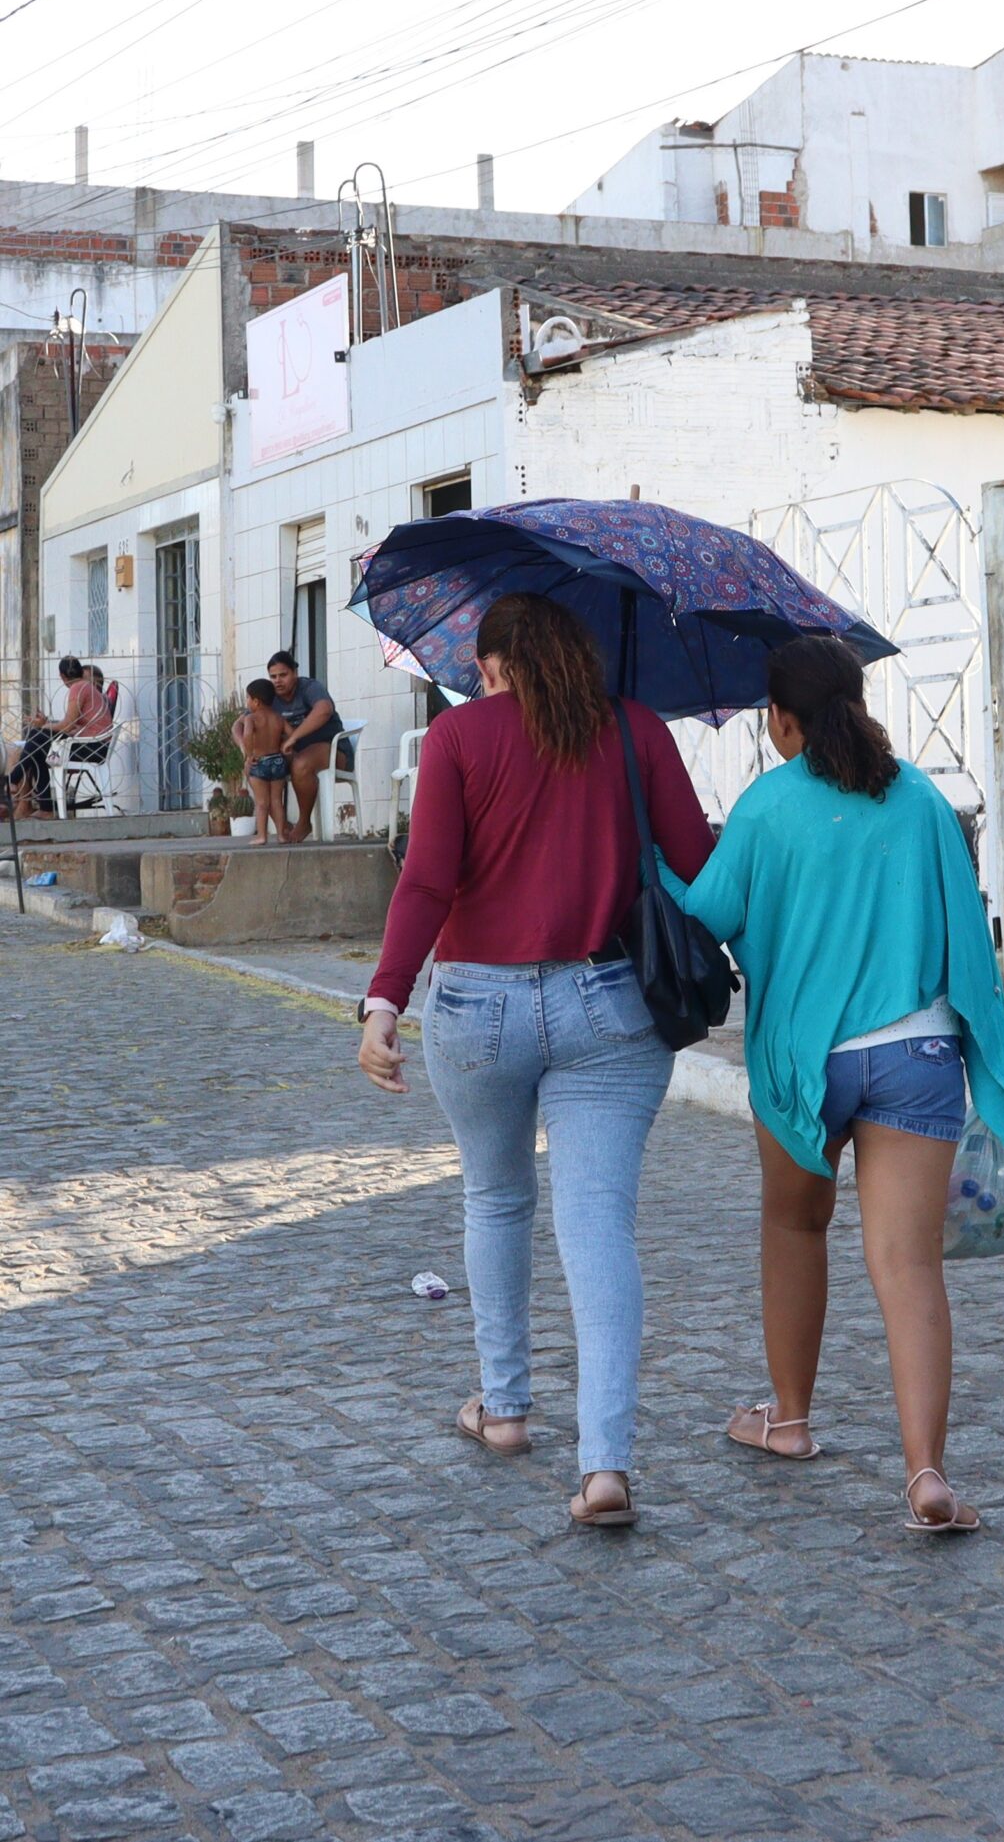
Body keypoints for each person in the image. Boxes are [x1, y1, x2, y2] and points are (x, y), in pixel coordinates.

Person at [354, 592, 714, 1531]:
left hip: (477, 1006)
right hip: (610, 1006)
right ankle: (605, 1467)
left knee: (496, 1198)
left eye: (480, 666)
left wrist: (385, 998)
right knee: (597, 1225)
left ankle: (505, 1409)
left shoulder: (460, 739)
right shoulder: (635, 729)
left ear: (501, 662)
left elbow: (428, 877)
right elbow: (696, 864)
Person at [664, 636, 1004, 1530]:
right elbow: (967, 940)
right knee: (908, 1266)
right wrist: (994, 1062)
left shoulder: (766, 804)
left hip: (803, 1061)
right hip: (918, 1057)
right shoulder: (923, 802)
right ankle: (927, 1475)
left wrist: (652, 859)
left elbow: (705, 914)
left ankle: (787, 1422)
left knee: (794, 1224)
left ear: (777, 719)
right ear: (857, 701)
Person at [11, 654, 104, 816]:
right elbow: (73, 725)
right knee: (39, 748)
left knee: (37, 735)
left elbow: (67, 725)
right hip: (92, 744)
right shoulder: (86, 687)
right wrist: (46, 726)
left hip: (92, 748)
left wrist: (45, 727)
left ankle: (13, 778)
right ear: (80, 671)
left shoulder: (78, 687)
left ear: (62, 676)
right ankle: (46, 808)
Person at [265, 652, 340, 843]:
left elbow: (324, 710)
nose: (278, 681)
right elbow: (239, 725)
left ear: (295, 673)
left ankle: (304, 822)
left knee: (301, 764)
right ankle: (283, 826)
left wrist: (293, 738)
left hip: (330, 749)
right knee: (256, 768)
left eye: (283, 675)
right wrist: (244, 747)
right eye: (273, 677)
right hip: (293, 753)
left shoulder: (309, 687)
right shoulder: (268, 695)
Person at [232, 680, 292, 842]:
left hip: (259, 762)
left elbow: (247, 735)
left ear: (256, 701)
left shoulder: (251, 718)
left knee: (261, 802)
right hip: (278, 761)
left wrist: (249, 754)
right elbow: (291, 734)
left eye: (248, 698)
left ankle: (262, 835)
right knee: (276, 801)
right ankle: (281, 835)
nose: (247, 702)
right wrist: (286, 746)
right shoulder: (278, 718)